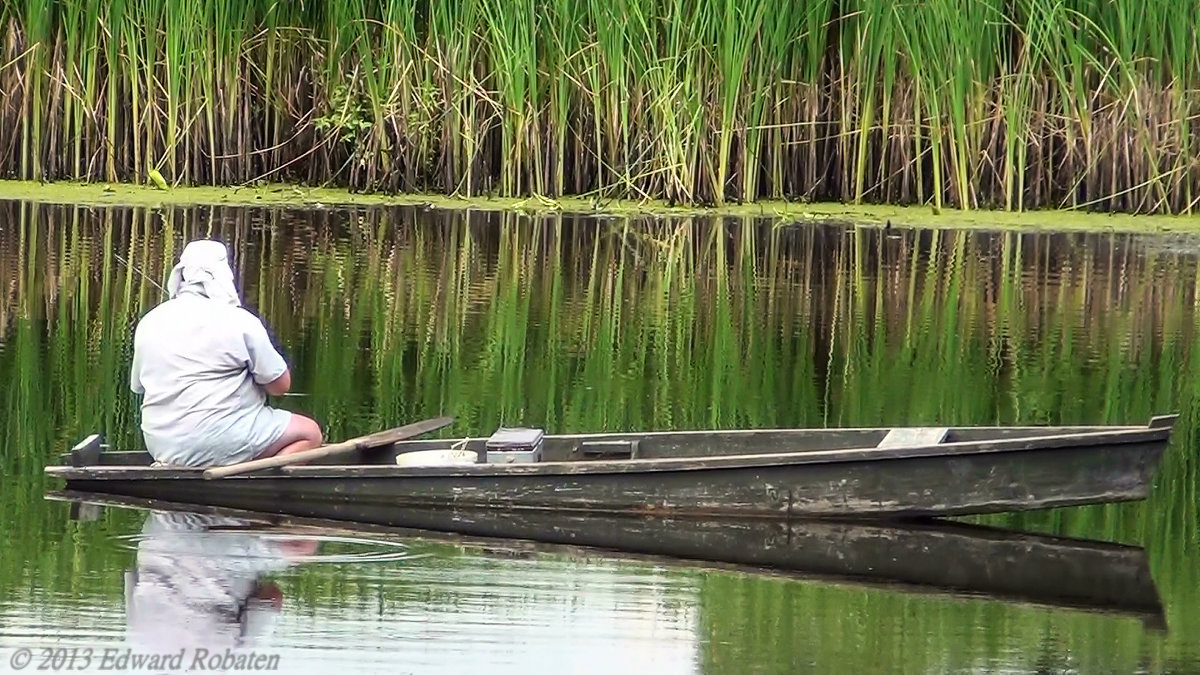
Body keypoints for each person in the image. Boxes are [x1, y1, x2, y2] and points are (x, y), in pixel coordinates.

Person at [129, 239, 323, 468]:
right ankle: (259, 482)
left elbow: (138, 387)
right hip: (223, 441)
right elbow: (280, 387)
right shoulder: (240, 321)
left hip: (162, 445)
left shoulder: (150, 321)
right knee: (310, 433)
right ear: (224, 275)